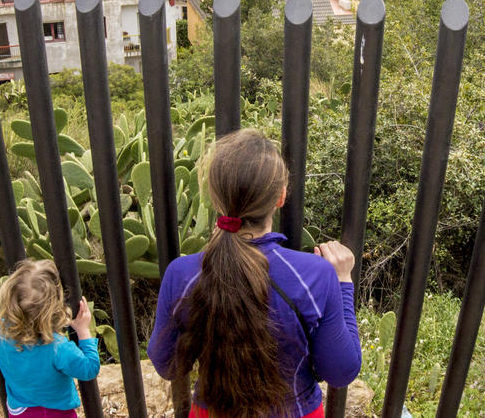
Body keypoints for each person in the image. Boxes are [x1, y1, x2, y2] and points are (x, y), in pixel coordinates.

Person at [148, 129, 361, 418]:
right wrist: (344, 284)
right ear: (281, 196)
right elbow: (340, 371)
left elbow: (167, 364)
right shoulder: (316, 275)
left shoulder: (182, 274)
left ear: (214, 196)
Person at [0, 259, 100, 417]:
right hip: (55, 413)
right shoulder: (58, 347)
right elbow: (89, 369)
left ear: (7, 299)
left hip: (20, 412)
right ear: (53, 307)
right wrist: (83, 331)